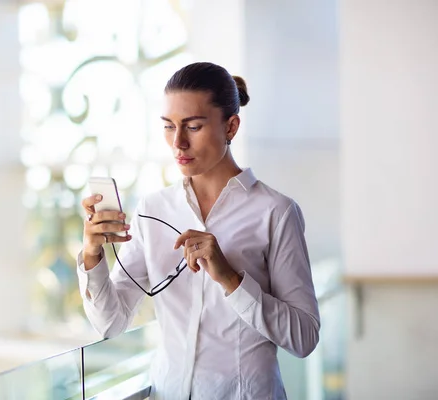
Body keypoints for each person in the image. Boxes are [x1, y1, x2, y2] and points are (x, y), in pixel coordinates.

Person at [77, 62, 320, 400]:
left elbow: (305, 337)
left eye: (193, 126)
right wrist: (92, 254)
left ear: (231, 126)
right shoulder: (153, 210)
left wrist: (230, 279)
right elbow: (110, 323)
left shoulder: (276, 212)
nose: (178, 143)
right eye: (168, 126)